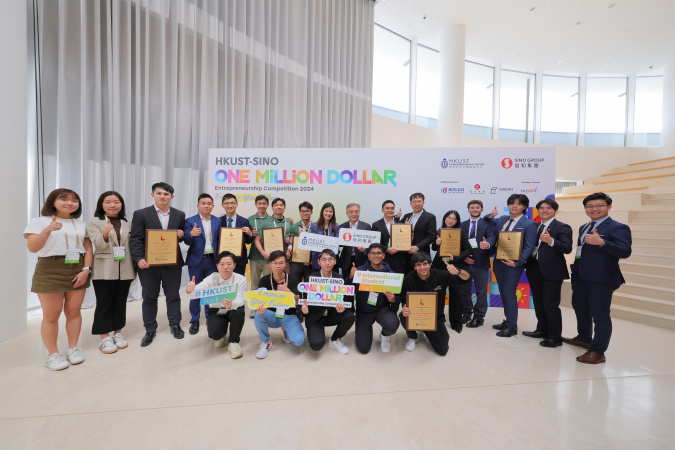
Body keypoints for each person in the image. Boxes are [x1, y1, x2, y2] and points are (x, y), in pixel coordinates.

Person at [24, 188, 93, 370]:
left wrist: (86, 269)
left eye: (74, 200)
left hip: (77, 267)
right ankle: (53, 354)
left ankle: (73, 348)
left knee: (73, 311)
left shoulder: (81, 224)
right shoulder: (39, 221)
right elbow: (32, 247)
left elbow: (88, 248)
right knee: (51, 315)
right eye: (64, 199)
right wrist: (48, 230)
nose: (70, 203)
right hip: (49, 268)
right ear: (53, 202)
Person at [564, 192, 632, 364]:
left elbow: (625, 252)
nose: (594, 209)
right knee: (580, 307)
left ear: (609, 207)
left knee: (600, 314)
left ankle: (598, 351)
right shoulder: (584, 226)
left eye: (599, 205)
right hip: (581, 275)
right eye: (590, 206)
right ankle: (584, 337)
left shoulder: (618, 227)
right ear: (585, 208)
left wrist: (603, 243)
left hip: (602, 278)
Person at [129, 182, 186, 347]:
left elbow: (179, 236)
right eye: (159, 193)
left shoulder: (179, 214)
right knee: (149, 297)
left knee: (173, 296)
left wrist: (181, 235)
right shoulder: (141, 214)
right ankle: (150, 329)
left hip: (172, 264)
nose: (163, 196)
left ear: (172, 197)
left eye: (166, 194)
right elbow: (136, 239)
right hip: (149, 265)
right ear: (152, 195)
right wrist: (139, 258)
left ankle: (175, 325)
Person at [86, 191, 135, 354]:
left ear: (121, 204)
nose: (113, 205)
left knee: (120, 303)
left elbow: (133, 245)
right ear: (101, 204)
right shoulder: (94, 222)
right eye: (108, 202)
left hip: (126, 267)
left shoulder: (129, 221)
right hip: (103, 268)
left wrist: (135, 269)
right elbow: (99, 245)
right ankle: (104, 337)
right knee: (104, 303)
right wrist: (105, 233)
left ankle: (118, 333)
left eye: (116, 202)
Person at [483, 194, 537, 337]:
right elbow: (485, 220)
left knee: (509, 293)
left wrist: (517, 263)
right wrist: (491, 215)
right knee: (503, 292)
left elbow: (529, 246)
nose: (514, 206)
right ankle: (507, 321)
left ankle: (512, 326)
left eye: (518, 204)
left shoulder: (529, 224)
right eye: (512, 203)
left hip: (513, 265)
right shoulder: (502, 219)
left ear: (524, 207)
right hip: (499, 261)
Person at [523, 198, 573, 348]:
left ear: (555, 211)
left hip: (552, 272)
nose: (545, 210)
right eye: (542, 208)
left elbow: (567, 248)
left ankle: (555, 337)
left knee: (551, 304)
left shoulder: (562, 227)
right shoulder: (535, 226)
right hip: (534, 269)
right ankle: (541, 330)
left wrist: (551, 241)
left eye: (548, 208)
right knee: (538, 302)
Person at [399, 252, 470, 355]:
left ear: (430, 264)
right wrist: (405, 307)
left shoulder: (441, 275)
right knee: (403, 315)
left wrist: (458, 272)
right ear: (414, 267)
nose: (422, 267)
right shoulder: (408, 279)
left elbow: (467, 279)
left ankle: (425, 329)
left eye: (425, 264)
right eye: (418, 265)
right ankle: (412, 337)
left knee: (442, 350)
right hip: (416, 315)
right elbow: (404, 300)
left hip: (435, 317)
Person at [186, 251, 248, 359]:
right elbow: (198, 290)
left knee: (239, 311)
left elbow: (240, 300)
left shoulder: (240, 279)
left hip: (233, 308)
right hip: (217, 309)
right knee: (214, 334)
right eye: (222, 264)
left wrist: (232, 304)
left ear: (234, 265)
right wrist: (190, 289)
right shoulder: (212, 278)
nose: (225, 267)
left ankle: (233, 342)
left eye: (229, 264)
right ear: (217, 266)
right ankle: (221, 335)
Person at [300, 249, 354, 354]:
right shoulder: (310, 278)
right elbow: (305, 302)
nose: (327, 263)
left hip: (332, 314)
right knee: (316, 345)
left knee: (350, 315)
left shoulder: (339, 278)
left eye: (330, 259)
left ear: (335, 261)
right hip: (315, 316)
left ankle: (334, 339)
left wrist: (342, 308)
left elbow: (344, 299)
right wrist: (304, 311)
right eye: (324, 260)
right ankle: (317, 332)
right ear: (319, 262)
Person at [349, 243, 400, 354]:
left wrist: (394, 300)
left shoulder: (390, 274)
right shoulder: (361, 271)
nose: (376, 256)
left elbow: (397, 298)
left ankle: (384, 336)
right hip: (364, 311)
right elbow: (348, 290)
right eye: (372, 253)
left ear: (383, 256)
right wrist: (351, 277)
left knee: (392, 324)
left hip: (381, 309)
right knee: (363, 348)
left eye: (379, 253)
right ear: (368, 256)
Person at [254, 250, 306, 359]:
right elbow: (260, 301)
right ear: (270, 264)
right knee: (258, 315)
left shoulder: (292, 279)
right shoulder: (264, 280)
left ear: (285, 264)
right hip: (272, 315)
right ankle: (266, 341)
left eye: (281, 263)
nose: (278, 266)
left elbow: (298, 301)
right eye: (275, 263)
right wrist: (261, 308)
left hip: (289, 315)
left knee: (299, 341)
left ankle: (286, 330)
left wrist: (288, 292)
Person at [183, 193, 221, 336]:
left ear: (212, 206)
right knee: (196, 290)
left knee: (210, 290)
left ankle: (210, 316)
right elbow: (186, 240)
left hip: (212, 260)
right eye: (203, 203)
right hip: (196, 261)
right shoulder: (190, 220)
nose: (206, 205)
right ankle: (194, 320)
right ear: (198, 205)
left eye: (209, 203)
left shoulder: (217, 221)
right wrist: (191, 234)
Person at [430, 210, 472, 332]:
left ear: (457, 221)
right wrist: (436, 243)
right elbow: (433, 247)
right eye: (449, 217)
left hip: (455, 267)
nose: (451, 220)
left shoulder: (460, 233)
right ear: (444, 218)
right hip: (439, 266)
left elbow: (468, 249)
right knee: (439, 294)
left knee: (456, 294)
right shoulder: (439, 232)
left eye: (454, 219)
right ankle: (439, 318)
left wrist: (456, 258)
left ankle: (455, 322)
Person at [460, 200, 496, 328]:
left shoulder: (487, 224)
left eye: (477, 207)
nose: (475, 209)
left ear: (481, 209)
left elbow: (491, 237)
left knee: (481, 291)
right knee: (465, 290)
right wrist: (463, 258)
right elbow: (457, 244)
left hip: (481, 262)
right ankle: (466, 312)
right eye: (472, 207)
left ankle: (479, 317)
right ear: (468, 210)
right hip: (465, 262)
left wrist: (488, 244)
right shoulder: (462, 225)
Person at [254, 197, 293, 273]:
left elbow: (293, 239)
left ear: (284, 208)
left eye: (281, 205)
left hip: (285, 260)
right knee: (270, 283)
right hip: (271, 261)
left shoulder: (289, 222)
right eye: (276, 205)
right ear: (272, 207)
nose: (279, 207)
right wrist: (263, 253)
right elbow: (257, 240)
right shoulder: (265, 222)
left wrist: (290, 241)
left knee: (286, 283)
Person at [219, 193, 254, 277]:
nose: (230, 205)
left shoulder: (244, 221)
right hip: (223, 261)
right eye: (227, 203)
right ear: (222, 205)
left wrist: (250, 234)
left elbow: (248, 241)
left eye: (232, 203)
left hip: (239, 261)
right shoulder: (218, 221)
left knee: (239, 286)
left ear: (236, 204)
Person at [402, 193, 437, 273]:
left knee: (422, 277)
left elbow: (431, 236)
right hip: (406, 253)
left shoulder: (430, 217)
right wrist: (399, 220)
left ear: (423, 203)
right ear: (411, 204)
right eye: (414, 201)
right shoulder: (406, 216)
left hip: (422, 253)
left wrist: (417, 247)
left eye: (419, 201)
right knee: (408, 277)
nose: (417, 204)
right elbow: (397, 230)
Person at [337, 203, 371, 280]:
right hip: (346, 260)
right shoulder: (342, 227)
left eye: (356, 212)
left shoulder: (366, 226)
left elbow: (371, 246)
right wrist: (344, 236)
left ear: (359, 212)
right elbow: (339, 245)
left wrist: (365, 249)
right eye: (351, 212)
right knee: (346, 284)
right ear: (347, 213)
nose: (354, 214)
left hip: (362, 259)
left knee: (360, 285)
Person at [371, 200, 406, 274]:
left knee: (399, 284)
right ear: (382, 210)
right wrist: (387, 249)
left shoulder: (401, 224)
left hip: (399, 260)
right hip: (383, 259)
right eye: (387, 208)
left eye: (392, 208)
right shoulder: (376, 225)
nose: (390, 210)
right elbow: (375, 244)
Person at [247, 195, 273, 292]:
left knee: (268, 283)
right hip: (254, 256)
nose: (262, 206)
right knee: (254, 284)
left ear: (267, 205)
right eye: (259, 203)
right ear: (255, 204)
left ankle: (268, 306)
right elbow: (246, 238)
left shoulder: (272, 220)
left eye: (264, 203)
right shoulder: (249, 220)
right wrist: (250, 234)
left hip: (269, 257)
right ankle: (254, 307)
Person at [286, 201, 314, 283]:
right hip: (296, 261)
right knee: (295, 285)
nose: (304, 213)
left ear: (311, 212)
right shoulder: (294, 226)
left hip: (309, 262)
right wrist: (289, 251)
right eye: (302, 211)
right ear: (299, 212)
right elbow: (291, 243)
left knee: (308, 286)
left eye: (307, 211)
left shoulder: (315, 226)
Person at [309, 202, 340, 270]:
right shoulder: (315, 226)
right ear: (322, 212)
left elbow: (337, 242)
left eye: (330, 212)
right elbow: (312, 245)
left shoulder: (336, 226)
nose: (328, 213)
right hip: (318, 260)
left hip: (332, 260)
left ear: (333, 213)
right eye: (326, 211)